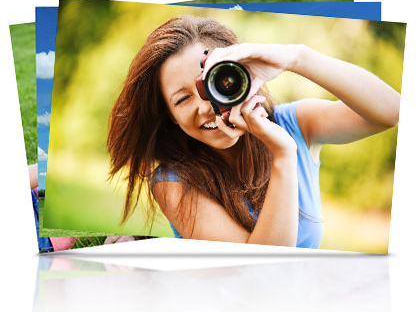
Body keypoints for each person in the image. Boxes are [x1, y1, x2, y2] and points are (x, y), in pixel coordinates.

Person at [107, 15, 400, 248]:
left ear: (238, 74)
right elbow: (261, 275)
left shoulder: (294, 123)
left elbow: (391, 111)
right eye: (182, 99)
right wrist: (283, 155)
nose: (206, 106)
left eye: (211, 83)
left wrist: (296, 58)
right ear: (169, 116)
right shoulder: (173, 181)